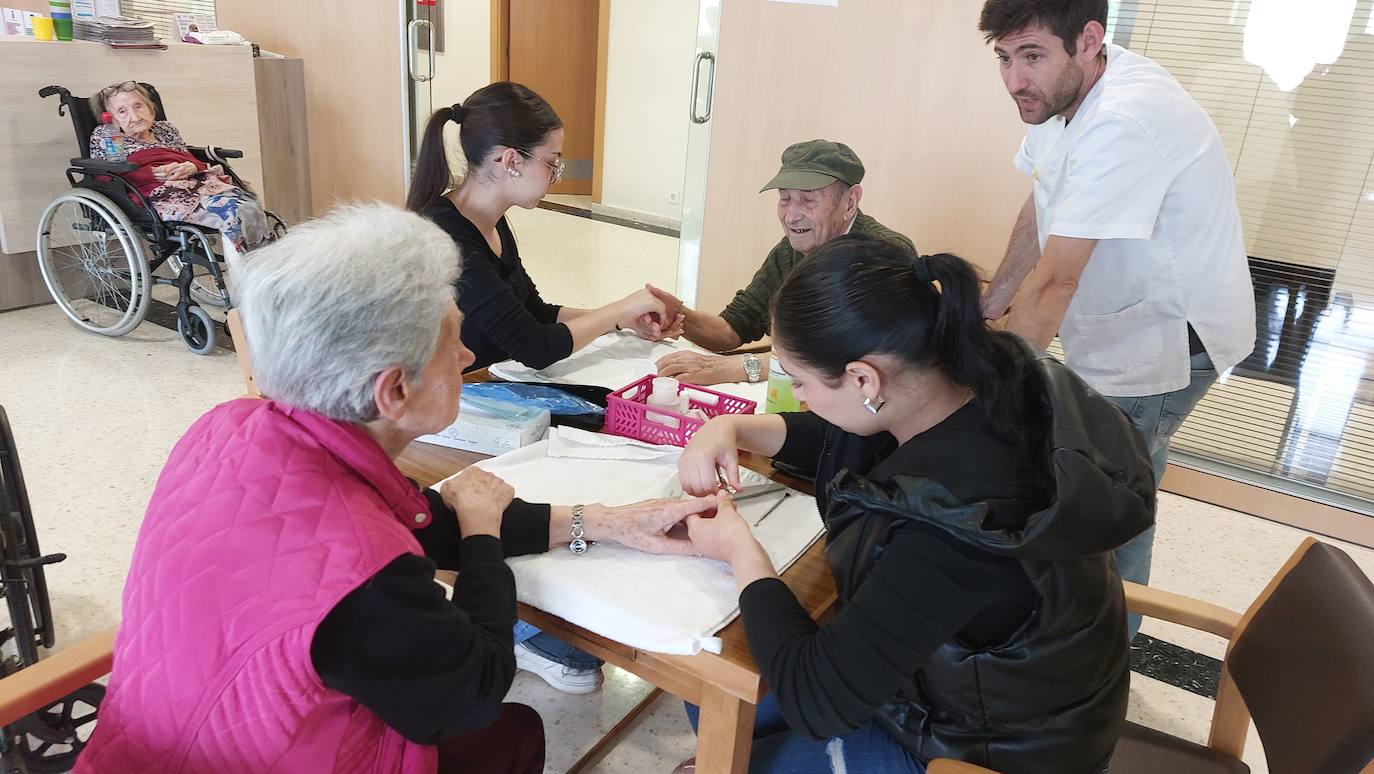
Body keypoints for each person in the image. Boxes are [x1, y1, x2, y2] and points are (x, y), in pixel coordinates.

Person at [73, 204, 713, 774]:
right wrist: (486, 537)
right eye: (452, 343)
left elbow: (429, 521)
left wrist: (603, 521)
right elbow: (474, 690)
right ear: (394, 392)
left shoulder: (234, 427)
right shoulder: (365, 585)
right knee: (509, 733)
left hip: (146, 745)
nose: (467, 357)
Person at [673, 236, 1155, 773]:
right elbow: (855, 434)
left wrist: (743, 551)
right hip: (992, 696)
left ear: (862, 377)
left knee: (728, 709)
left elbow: (818, 699)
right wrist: (733, 426)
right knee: (720, 686)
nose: (801, 397)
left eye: (801, 381)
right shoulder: (979, 382)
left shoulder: (961, 521)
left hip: (985, 752)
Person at [977, 0, 1256, 638]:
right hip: (1132, 319)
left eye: (1031, 56)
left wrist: (992, 389)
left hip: (1168, 339)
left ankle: (1103, 658)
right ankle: (1106, 645)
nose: (1015, 79)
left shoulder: (1127, 117)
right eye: (1004, 57)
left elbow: (1058, 278)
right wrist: (995, 299)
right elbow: (1043, 195)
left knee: (1105, 500)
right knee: (1126, 484)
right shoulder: (1063, 92)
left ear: (1089, 39)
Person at [406, 82, 683, 374]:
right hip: (458, 398)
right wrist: (617, 312)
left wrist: (623, 320)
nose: (556, 178)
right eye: (552, 164)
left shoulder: (490, 220)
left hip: (489, 381)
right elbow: (534, 347)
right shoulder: (446, 237)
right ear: (512, 161)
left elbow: (535, 313)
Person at [652, 140, 915, 386]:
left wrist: (736, 367)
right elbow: (735, 327)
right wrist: (675, 314)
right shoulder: (793, 249)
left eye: (808, 200)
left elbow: (847, 356)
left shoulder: (885, 255)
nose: (791, 217)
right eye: (785, 198)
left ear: (850, 201)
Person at [88, 80, 269, 257]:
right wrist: (150, 174)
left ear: (150, 108)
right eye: (122, 111)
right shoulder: (110, 137)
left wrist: (191, 166)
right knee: (231, 214)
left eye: (139, 106)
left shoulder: (165, 129)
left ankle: (264, 267)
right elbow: (106, 176)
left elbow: (187, 157)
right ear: (110, 119)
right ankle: (248, 275)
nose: (135, 117)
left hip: (198, 183)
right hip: (157, 194)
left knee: (249, 206)